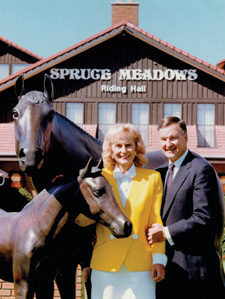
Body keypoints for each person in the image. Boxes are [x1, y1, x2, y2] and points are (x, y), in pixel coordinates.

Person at [146, 116, 225, 299]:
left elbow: (203, 218)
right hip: (168, 270)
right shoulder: (161, 173)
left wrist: (166, 232)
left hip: (195, 273)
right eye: (164, 139)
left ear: (186, 138)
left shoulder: (200, 169)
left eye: (173, 138)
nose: (168, 144)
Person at [90, 123, 167, 299]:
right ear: (110, 149)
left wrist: (158, 260)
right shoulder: (99, 178)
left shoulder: (152, 179)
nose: (123, 151)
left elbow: (156, 223)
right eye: (118, 145)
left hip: (140, 266)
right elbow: (86, 219)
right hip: (106, 264)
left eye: (128, 145)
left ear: (136, 148)